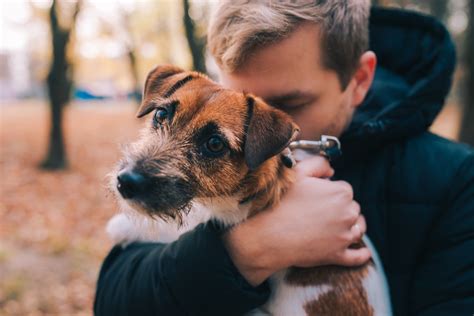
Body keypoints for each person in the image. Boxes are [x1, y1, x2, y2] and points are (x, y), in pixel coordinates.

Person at [94, 1, 474, 315]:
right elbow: (115, 300)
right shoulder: (207, 171)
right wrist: (250, 249)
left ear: (359, 80)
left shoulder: (456, 182)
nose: (252, 135)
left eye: (287, 105)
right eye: (233, 95)